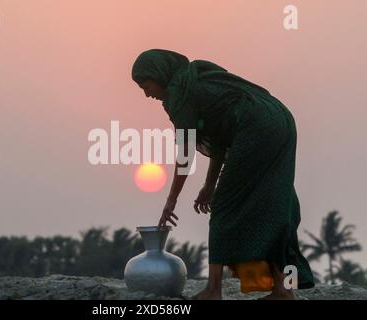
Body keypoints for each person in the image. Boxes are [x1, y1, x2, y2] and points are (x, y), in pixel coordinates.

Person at [131, 49, 315, 300]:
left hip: (256, 125)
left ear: (159, 75)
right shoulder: (197, 80)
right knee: (271, 201)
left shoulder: (181, 94)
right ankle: (282, 290)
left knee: (224, 207)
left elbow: (185, 154)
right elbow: (221, 139)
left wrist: (171, 201)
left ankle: (213, 290)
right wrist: (209, 185)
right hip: (280, 118)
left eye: (146, 85)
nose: (146, 94)